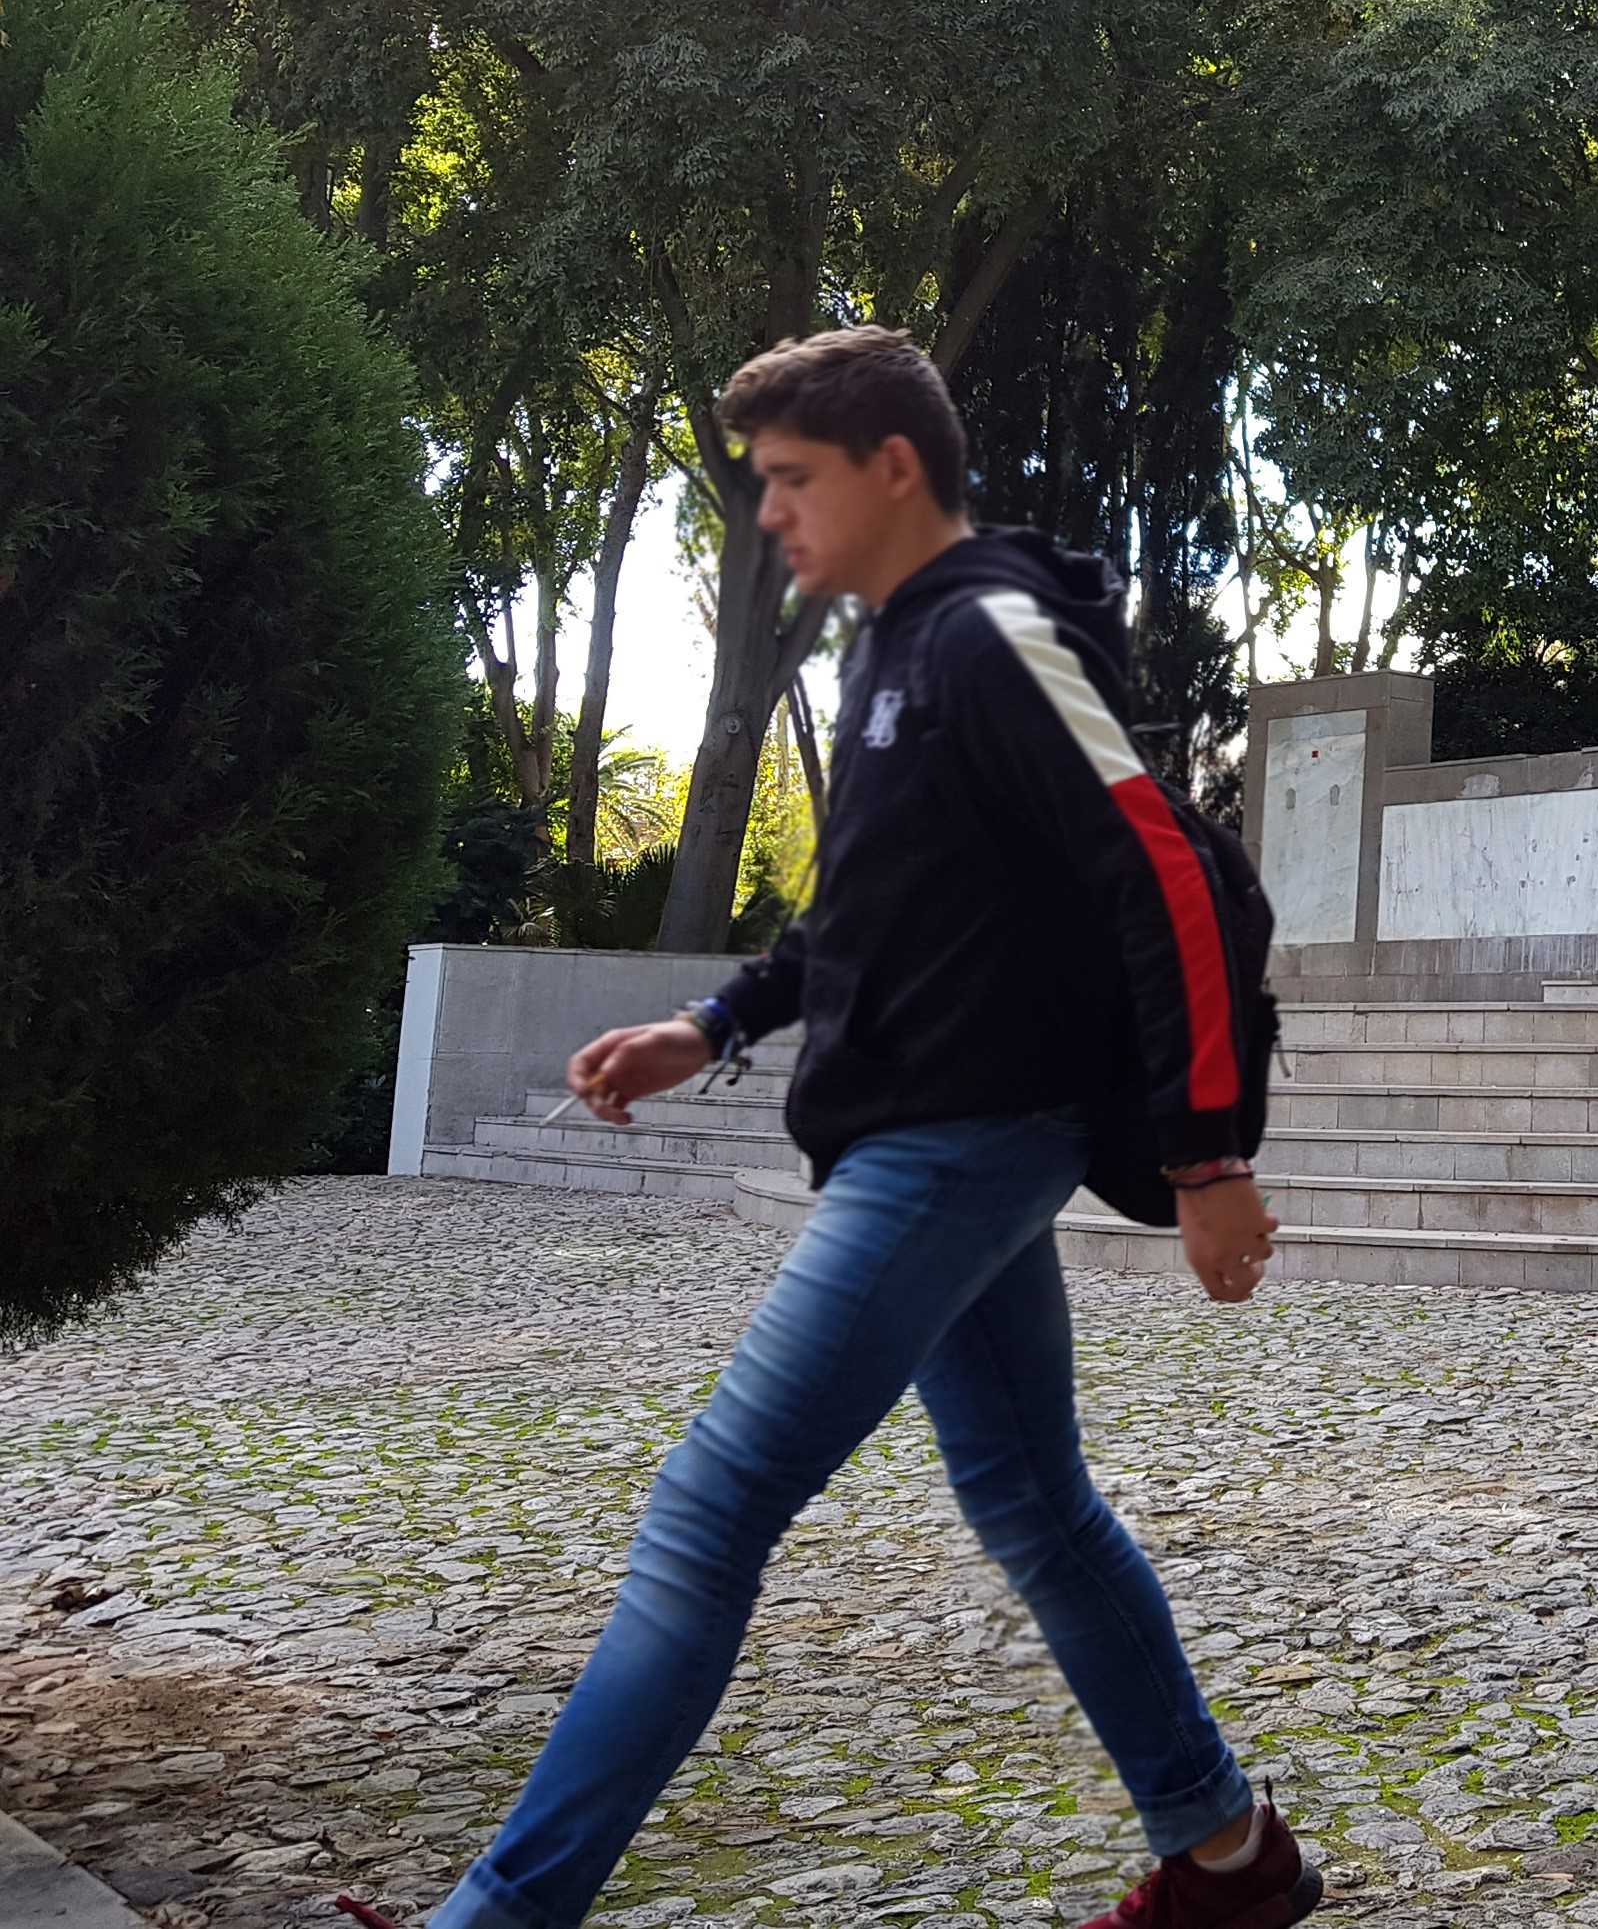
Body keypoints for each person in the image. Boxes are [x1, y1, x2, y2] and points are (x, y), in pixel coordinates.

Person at [339, 326, 1314, 1929]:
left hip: (968, 1139)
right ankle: (1225, 1851)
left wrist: (1209, 1158)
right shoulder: (892, 656)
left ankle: (495, 1922)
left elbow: (1167, 872)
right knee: (1034, 1501)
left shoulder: (994, 633)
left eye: (790, 480)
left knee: (711, 1508)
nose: (771, 514)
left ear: (892, 467)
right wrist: (708, 1025)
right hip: (918, 1133)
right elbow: (863, 924)